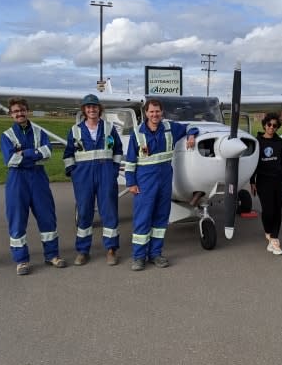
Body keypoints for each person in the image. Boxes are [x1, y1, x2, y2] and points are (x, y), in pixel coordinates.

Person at [125, 98, 198, 271]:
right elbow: (130, 161)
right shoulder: (138, 133)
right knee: (143, 219)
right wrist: (131, 183)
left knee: (160, 219)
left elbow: (189, 126)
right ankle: (138, 257)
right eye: (151, 111)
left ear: (162, 112)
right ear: (146, 113)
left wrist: (191, 135)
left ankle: (156, 254)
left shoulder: (170, 128)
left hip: (164, 181)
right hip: (144, 182)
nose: (155, 114)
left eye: (157, 111)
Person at [0, 98, 67, 275]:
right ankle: (21, 260)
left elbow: (47, 153)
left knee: (47, 216)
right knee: (17, 220)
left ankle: (52, 255)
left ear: (27, 111)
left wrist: (24, 153)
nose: (19, 114)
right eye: (15, 111)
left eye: (22, 110)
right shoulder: (7, 135)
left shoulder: (39, 131)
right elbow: (11, 160)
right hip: (17, 181)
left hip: (38, 178)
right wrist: (34, 154)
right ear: (10, 114)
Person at [63, 94, 123, 266]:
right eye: (88, 107)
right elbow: (68, 154)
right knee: (84, 213)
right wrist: (73, 172)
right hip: (83, 177)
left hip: (106, 174)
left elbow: (117, 150)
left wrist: (113, 170)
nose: (91, 110)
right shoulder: (75, 130)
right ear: (84, 110)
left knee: (109, 211)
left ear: (99, 109)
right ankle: (83, 250)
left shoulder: (109, 128)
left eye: (94, 106)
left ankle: (111, 249)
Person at [250, 112, 282, 255]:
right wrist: (252, 181)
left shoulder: (279, 142)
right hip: (263, 181)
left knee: (277, 210)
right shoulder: (257, 142)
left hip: (279, 181)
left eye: (275, 126)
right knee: (268, 211)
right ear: (264, 125)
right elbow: (253, 163)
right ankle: (268, 231)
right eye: (269, 125)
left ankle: (274, 239)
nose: (272, 127)